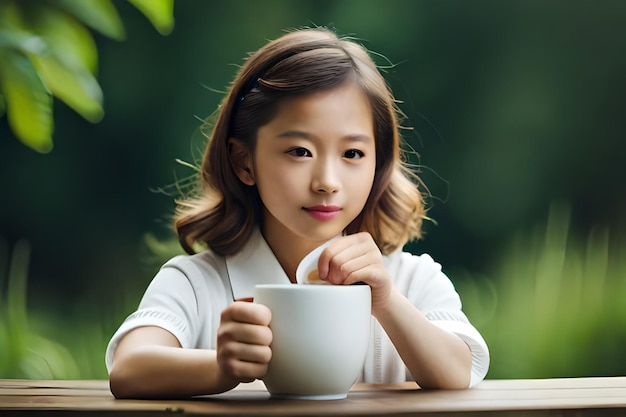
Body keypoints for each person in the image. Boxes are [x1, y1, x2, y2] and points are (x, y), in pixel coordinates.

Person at [106, 27, 489, 399]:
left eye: (353, 154)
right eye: (300, 151)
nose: (326, 181)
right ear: (244, 162)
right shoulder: (195, 283)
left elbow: (460, 371)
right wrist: (219, 367)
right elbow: (128, 369)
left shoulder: (410, 281)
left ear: (378, 163)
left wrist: (387, 302)